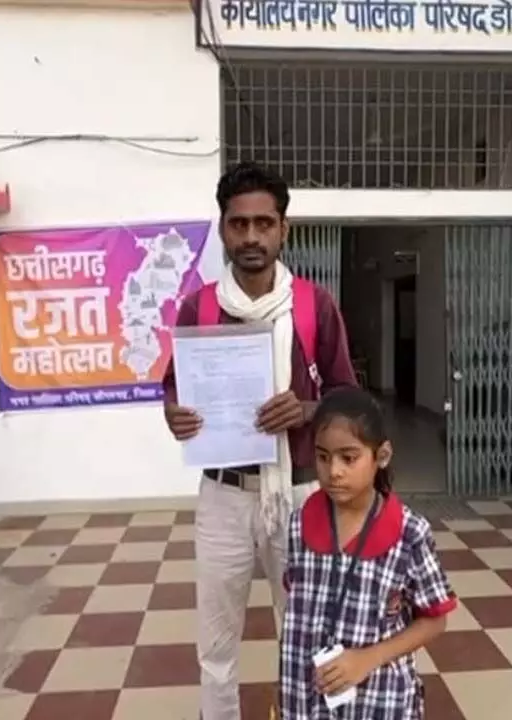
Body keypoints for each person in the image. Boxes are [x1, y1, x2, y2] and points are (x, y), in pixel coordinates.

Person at [162, 162, 357, 720]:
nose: (251, 236)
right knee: (216, 645)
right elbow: (175, 388)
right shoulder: (200, 307)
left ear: (283, 229)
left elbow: (348, 398)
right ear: (223, 229)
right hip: (224, 496)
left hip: (299, 494)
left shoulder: (313, 305)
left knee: (310, 636)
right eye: (239, 224)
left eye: (263, 223)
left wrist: (308, 410)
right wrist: (173, 414)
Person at [279, 387, 455, 719]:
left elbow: (435, 620)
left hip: (378, 700)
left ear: (381, 456)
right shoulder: (300, 523)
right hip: (307, 698)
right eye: (323, 457)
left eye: (349, 458)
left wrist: (369, 658)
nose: (334, 471)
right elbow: (298, 605)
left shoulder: (409, 533)